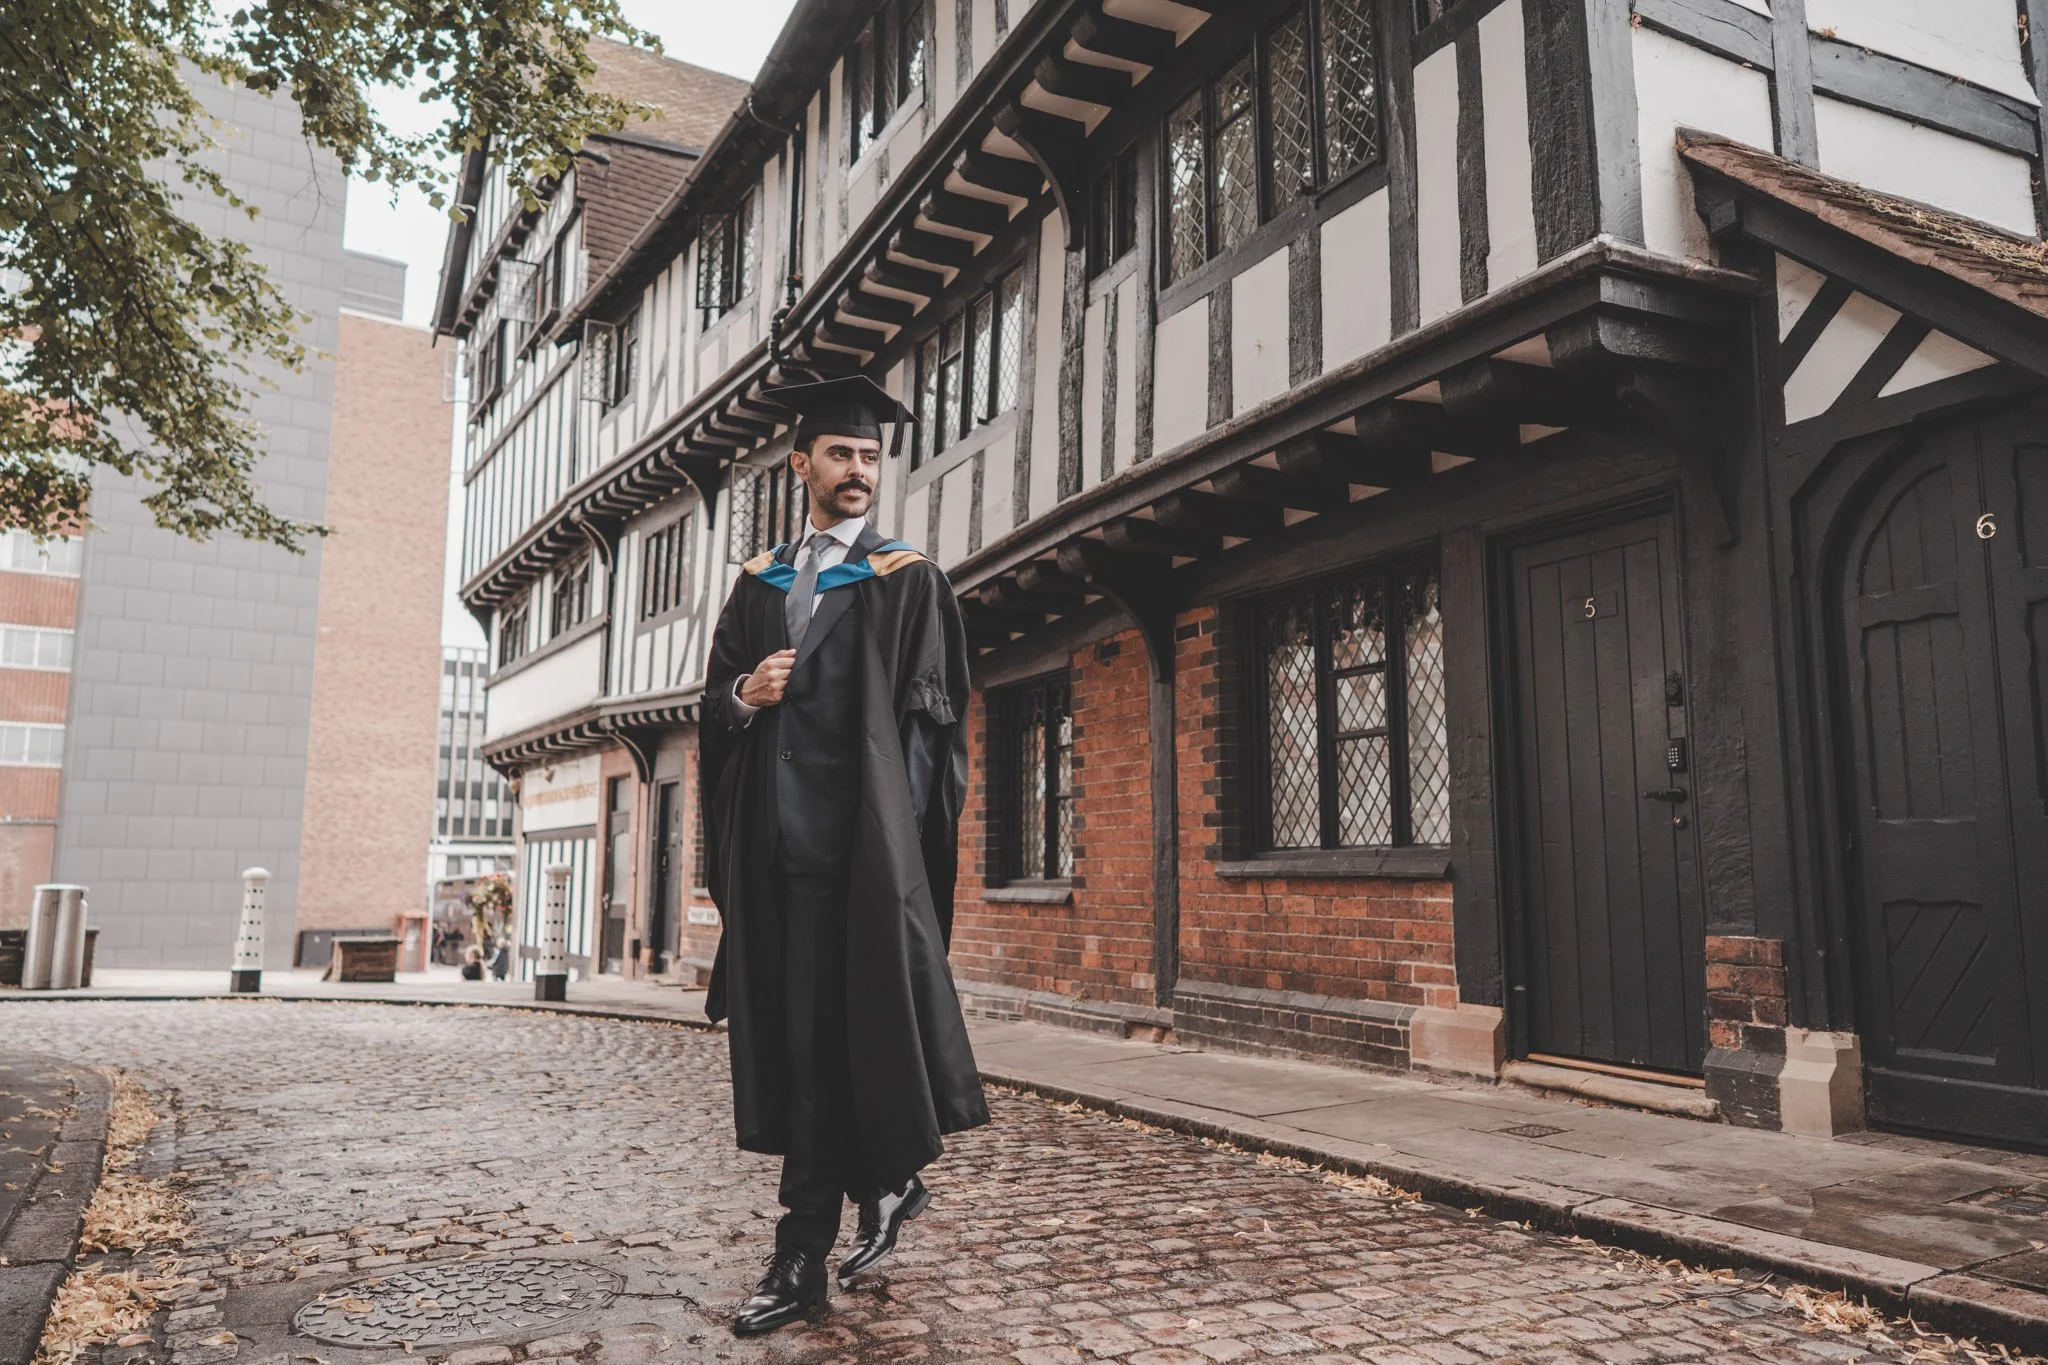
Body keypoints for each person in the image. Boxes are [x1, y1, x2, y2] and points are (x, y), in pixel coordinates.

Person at [700, 375, 988, 1338]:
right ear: (803, 465)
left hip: (856, 862)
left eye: (869, 457)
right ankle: (892, 1180)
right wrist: (749, 688)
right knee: (803, 1045)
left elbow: (934, 733)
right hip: (774, 857)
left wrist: (894, 851)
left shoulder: (907, 580)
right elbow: (712, 708)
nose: (859, 470)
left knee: (828, 1047)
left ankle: (799, 1254)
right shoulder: (758, 581)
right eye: (841, 454)